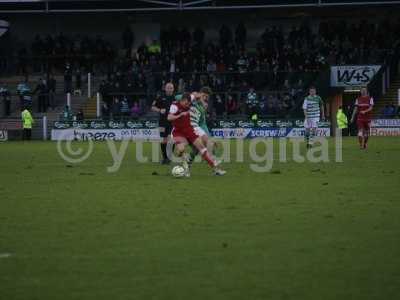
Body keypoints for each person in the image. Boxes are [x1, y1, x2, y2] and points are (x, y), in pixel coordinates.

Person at [168, 93, 226, 177]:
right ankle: (185, 168)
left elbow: (196, 95)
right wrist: (180, 115)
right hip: (178, 132)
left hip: (189, 130)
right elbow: (169, 117)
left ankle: (216, 170)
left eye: (189, 103)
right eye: (187, 103)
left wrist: (201, 98)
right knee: (181, 150)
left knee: (201, 148)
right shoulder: (174, 106)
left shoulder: (190, 99)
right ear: (183, 100)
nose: (188, 105)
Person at [151, 82, 175, 164]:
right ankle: (165, 158)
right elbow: (153, 107)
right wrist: (160, 110)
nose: (169, 89)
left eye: (171, 88)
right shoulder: (160, 97)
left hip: (173, 122)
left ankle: (169, 157)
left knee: (170, 139)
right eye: (168, 88)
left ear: (173, 89)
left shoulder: (176, 98)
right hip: (162, 122)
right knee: (163, 140)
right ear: (165, 89)